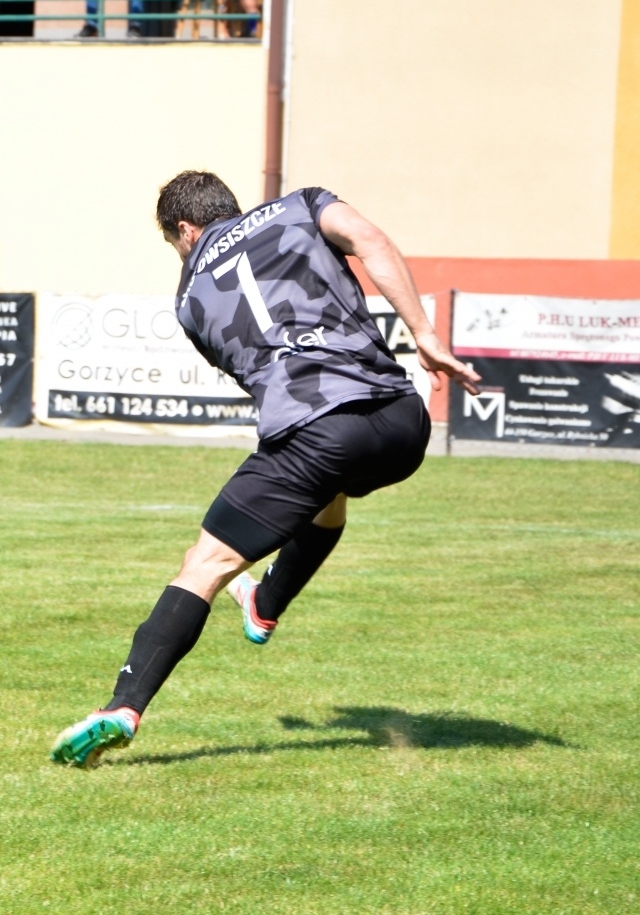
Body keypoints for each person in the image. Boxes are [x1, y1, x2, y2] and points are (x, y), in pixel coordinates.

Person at [50, 172, 481, 768]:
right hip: (402, 421)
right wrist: (425, 334)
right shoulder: (301, 206)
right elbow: (372, 240)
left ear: (184, 229)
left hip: (316, 431)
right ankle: (266, 603)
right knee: (329, 488)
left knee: (205, 566)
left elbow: (255, 367)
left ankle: (122, 706)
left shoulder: (189, 300)